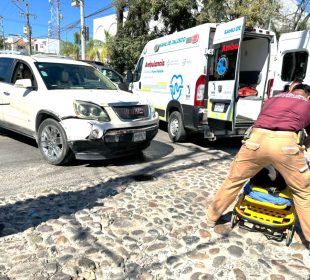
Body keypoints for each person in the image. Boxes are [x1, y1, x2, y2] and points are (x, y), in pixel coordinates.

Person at [206, 84, 310, 250]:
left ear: (290, 91)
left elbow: (261, 120)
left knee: (233, 180)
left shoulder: (274, 98)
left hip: (255, 140)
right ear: (307, 96)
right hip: (286, 145)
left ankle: (211, 218)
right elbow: (306, 138)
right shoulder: (307, 103)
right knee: (303, 192)